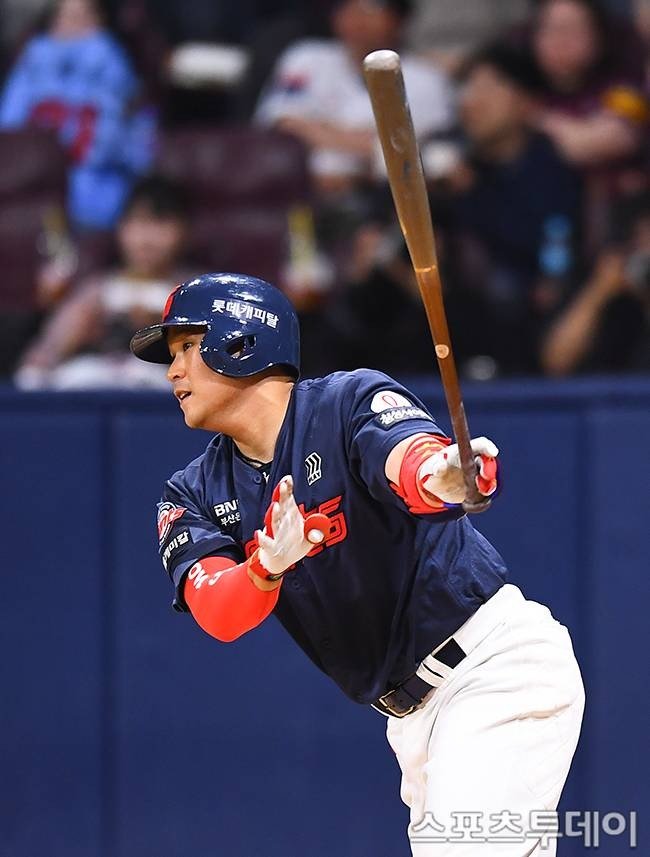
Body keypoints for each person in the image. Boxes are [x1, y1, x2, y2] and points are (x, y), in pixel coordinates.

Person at [129, 272, 585, 856]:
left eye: (188, 347)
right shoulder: (193, 491)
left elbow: (411, 463)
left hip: (492, 671)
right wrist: (264, 569)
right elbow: (219, 612)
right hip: (412, 721)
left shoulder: (345, 401)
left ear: (241, 341)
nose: (174, 372)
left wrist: (442, 475)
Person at [430, 42, 583, 376]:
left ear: (527, 103)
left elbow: (543, 253)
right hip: (452, 325)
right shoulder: (453, 160)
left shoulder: (551, 169)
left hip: (527, 325)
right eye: (470, 87)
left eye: (490, 87)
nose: (473, 101)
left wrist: (472, 196)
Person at [255, 0, 453, 196]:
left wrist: (320, 131)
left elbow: (413, 150)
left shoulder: (427, 78)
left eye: (370, 10)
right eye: (349, 8)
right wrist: (367, 144)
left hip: (380, 195)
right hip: (300, 189)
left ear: (398, 20)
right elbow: (284, 122)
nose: (358, 19)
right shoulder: (307, 56)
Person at [15, 175, 190, 389]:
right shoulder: (97, 291)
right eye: (137, 223)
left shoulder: (195, 291)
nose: (146, 239)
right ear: (120, 228)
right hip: (94, 393)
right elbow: (40, 360)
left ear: (184, 231)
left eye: (160, 224)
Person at [0, 0, 156, 230]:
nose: (75, 25)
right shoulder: (29, 66)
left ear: (100, 21)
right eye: (67, 16)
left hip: (103, 195)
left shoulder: (118, 69)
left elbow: (138, 140)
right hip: (32, 191)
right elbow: (9, 131)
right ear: (52, 22)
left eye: (83, 16)